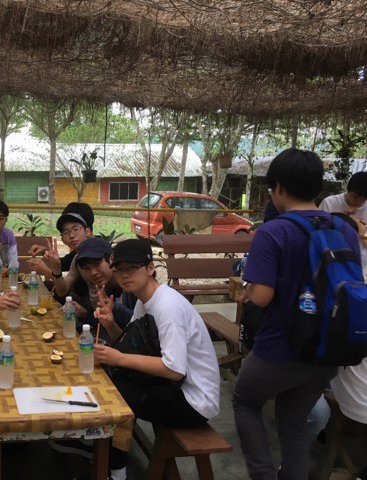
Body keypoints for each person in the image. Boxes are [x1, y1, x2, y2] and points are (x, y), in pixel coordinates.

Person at [232, 148, 360, 480]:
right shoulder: (344, 228)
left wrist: (247, 290)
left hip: (279, 350)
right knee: (294, 425)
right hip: (327, 351)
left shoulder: (274, 231)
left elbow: (262, 298)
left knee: (245, 402)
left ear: (278, 188)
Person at [92, 239, 220, 480]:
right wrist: (109, 324)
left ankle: (115, 473)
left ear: (150, 268)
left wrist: (118, 358)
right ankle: (107, 458)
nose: (125, 275)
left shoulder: (167, 307)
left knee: (117, 395)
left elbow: (174, 368)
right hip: (174, 387)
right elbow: (129, 345)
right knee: (111, 384)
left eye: (132, 268)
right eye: (119, 269)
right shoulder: (145, 301)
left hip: (194, 400)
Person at [319, 171, 367, 274]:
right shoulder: (330, 203)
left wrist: (362, 232)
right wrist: (343, 218)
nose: (358, 203)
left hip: (362, 266)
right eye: (355, 197)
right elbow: (319, 236)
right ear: (348, 190)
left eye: (363, 200)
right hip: (334, 263)